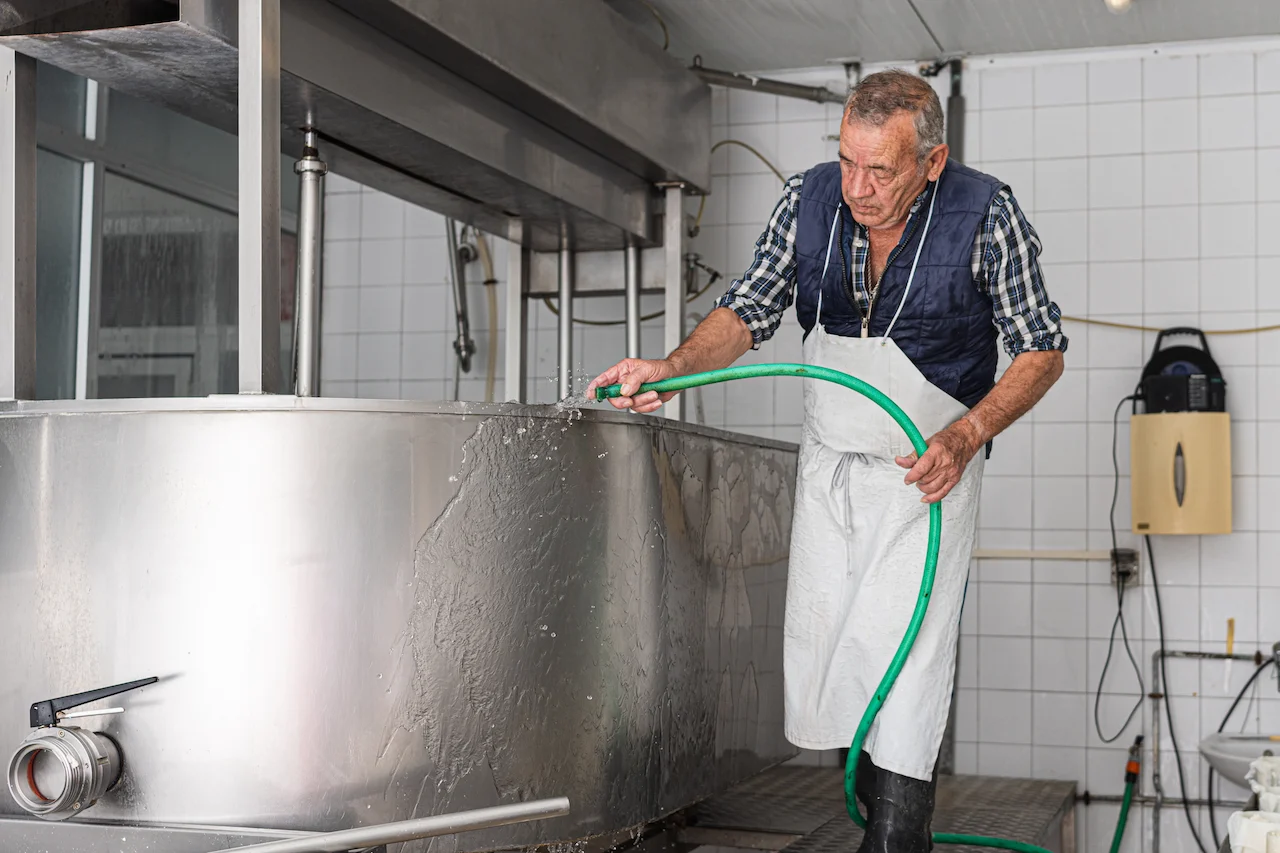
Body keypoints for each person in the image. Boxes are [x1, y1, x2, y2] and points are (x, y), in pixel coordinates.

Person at [588, 69, 1066, 852]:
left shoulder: (986, 211)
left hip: (928, 479)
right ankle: (867, 808)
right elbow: (749, 307)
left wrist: (966, 435)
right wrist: (672, 368)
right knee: (839, 653)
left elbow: (1041, 349)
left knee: (909, 671)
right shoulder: (809, 198)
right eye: (847, 160)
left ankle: (894, 836)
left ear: (932, 162)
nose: (858, 186)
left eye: (881, 169)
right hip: (832, 470)